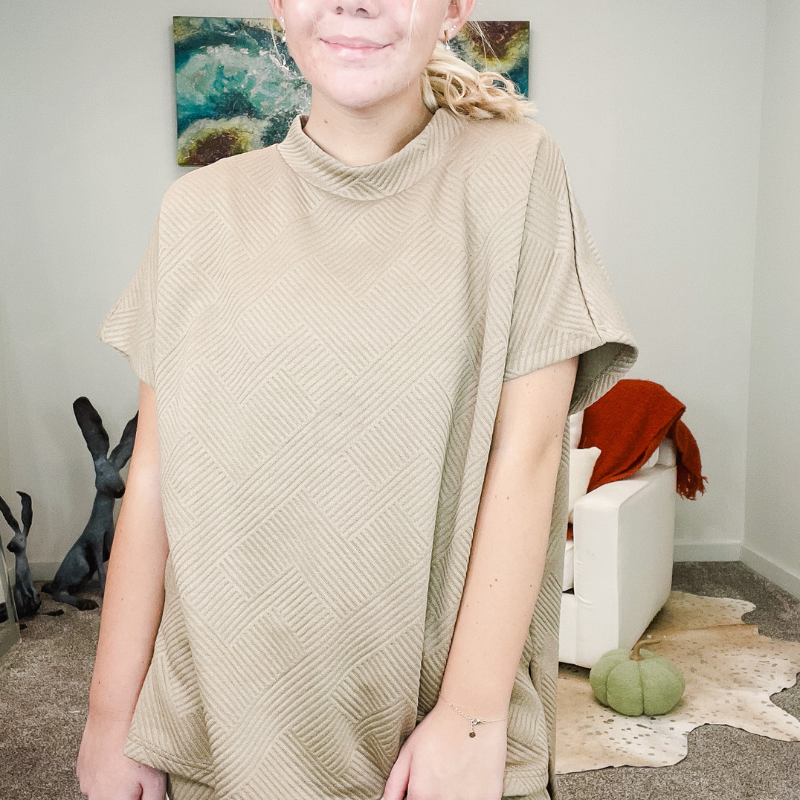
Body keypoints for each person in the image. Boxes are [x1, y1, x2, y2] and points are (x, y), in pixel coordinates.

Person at [77, 1, 639, 799]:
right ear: (280, 7)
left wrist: (471, 715)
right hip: (211, 729)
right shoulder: (196, 211)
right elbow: (154, 477)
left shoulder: (518, 175)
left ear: (454, 10)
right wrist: (110, 717)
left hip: (427, 740)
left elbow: (530, 454)